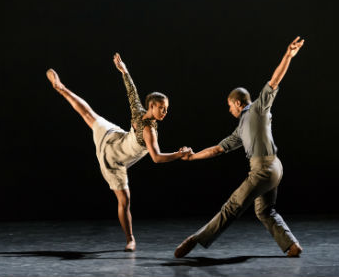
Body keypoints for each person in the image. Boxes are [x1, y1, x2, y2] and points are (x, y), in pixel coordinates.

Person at [174, 37, 305, 258]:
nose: (229, 111)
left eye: (229, 106)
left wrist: (287, 56)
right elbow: (217, 149)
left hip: (263, 169)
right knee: (264, 210)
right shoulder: (241, 128)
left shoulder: (257, 109)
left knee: (232, 206)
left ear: (237, 103)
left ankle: (196, 239)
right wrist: (193, 157)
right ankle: (292, 245)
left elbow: (274, 81)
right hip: (274, 167)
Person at [46, 53, 192, 252]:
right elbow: (156, 158)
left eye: (166, 109)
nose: (165, 112)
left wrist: (124, 70)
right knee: (125, 201)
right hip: (114, 160)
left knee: (88, 114)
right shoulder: (149, 130)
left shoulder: (139, 110)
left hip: (114, 137)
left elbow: (131, 91)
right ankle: (130, 239)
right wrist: (179, 154)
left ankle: (62, 89)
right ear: (152, 106)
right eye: (162, 108)